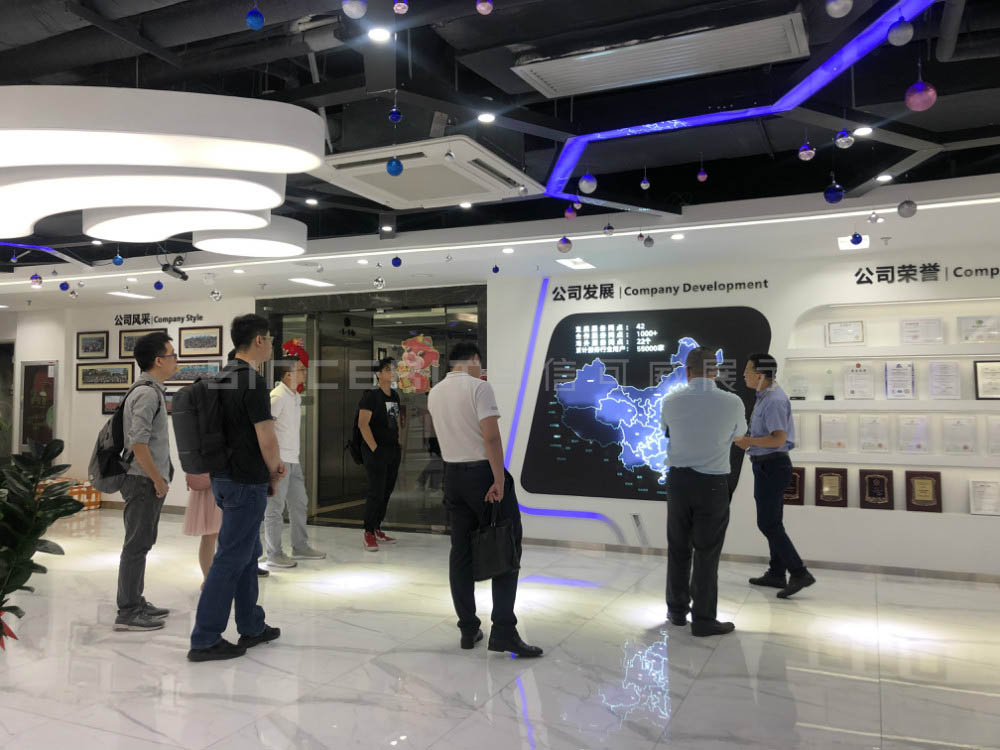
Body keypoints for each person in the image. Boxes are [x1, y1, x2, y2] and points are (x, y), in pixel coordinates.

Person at [427, 342, 542, 657]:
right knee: (505, 545)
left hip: (453, 477)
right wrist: (499, 478)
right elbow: (490, 437)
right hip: (482, 475)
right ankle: (503, 631)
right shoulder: (479, 387)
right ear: (474, 360)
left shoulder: (435, 392)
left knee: (460, 553)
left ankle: (468, 628)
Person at [188, 314, 283, 662]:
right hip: (246, 481)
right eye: (270, 338)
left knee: (245, 553)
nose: (271, 345)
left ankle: (251, 625)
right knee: (230, 558)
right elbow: (265, 436)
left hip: (223, 479)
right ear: (258, 340)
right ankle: (205, 638)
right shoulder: (253, 382)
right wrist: (275, 471)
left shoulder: (221, 377)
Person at [661, 347, 747, 637]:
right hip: (713, 484)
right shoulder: (732, 401)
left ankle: (676, 611)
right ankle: (703, 619)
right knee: (707, 552)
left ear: (687, 371)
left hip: (678, 482)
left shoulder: (671, 401)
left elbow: (667, 431)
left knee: (678, 547)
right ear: (716, 371)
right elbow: (739, 435)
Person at [735, 353, 816, 599]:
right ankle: (776, 572)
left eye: (748, 370)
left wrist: (749, 441)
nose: (744, 375)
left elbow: (778, 439)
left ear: (760, 375)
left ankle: (799, 572)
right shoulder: (764, 397)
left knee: (768, 523)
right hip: (766, 466)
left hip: (772, 466)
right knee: (774, 522)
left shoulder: (774, 401)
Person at [114, 331, 178, 632]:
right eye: (172, 355)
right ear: (158, 360)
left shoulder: (150, 390)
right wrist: (157, 479)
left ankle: (135, 601)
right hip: (142, 481)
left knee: (141, 543)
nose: (176, 360)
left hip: (145, 480)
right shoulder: (147, 394)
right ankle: (128, 611)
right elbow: (138, 443)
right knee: (136, 545)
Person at [263, 355, 326, 567]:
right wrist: (273, 461)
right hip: (279, 461)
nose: (304, 373)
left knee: (299, 503)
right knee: (275, 508)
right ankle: (274, 553)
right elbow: (266, 430)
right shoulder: (277, 397)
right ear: (288, 374)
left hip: (294, 459)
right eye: (301, 370)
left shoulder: (295, 396)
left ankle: (300, 546)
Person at [357, 357, 402, 552]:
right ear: (378, 374)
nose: (392, 373)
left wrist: (399, 442)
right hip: (375, 450)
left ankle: (377, 527)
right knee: (376, 490)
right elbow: (362, 424)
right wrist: (375, 448)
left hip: (392, 449)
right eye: (388, 370)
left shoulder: (394, 395)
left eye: (393, 370)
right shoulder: (371, 396)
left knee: (387, 490)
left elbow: (395, 421)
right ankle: (368, 531)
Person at [182, 473, 220, 586]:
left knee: (209, 536)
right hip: (219, 484)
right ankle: (210, 579)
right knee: (214, 536)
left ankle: (208, 580)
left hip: (206, 483)